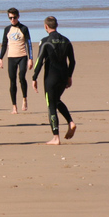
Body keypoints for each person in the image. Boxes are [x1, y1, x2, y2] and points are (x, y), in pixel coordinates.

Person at [32, 16, 77, 145]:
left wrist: (34, 78)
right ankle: (70, 122)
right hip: (63, 77)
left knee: (51, 105)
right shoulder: (66, 41)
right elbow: (72, 61)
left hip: (51, 78)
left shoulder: (45, 41)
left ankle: (56, 137)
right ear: (57, 25)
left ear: (46, 26)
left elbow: (39, 61)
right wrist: (69, 76)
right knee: (56, 100)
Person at [0, 7, 33, 114]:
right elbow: (4, 44)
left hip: (22, 56)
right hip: (11, 57)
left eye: (14, 17)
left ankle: (24, 99)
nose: (12, 20)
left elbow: (29, 44)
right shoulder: (7, 29)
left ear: (18, 16)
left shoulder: (24, 28)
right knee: (12, 81)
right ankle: (14, 106)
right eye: (10, 18)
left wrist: (30, 58)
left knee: (22, 77)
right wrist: (0, 58)